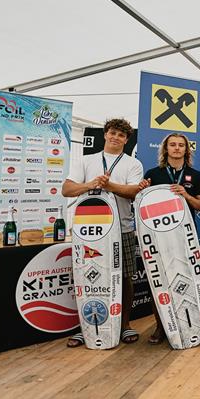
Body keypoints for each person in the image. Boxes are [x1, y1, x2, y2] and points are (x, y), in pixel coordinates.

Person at [63, 118, 144, 347]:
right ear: (105, 135)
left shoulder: (132, 164)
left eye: (121, 135)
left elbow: (133, 192)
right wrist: (90, 185)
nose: (116, 137)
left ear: (126, 140)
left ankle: (125, 325)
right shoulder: (86, 160)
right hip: (89, 230)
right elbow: (67, 189)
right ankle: (85, 327)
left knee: (126, 277)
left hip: (122, 228)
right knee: (85, 276)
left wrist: (108, 186)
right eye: (113, 133)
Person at [138, 133, 200, 344]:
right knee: (158, 281)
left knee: (188, 279)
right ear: (165, 149)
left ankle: (193, 324)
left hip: (185, 238)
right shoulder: (153, 174)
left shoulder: (195, 176)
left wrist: (186, 196)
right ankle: (161, 326)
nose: (177, 148)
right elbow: (141, 203)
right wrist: (141, 190)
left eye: (181, 146)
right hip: (158, 238)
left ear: (186, 150)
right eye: (172, 145)